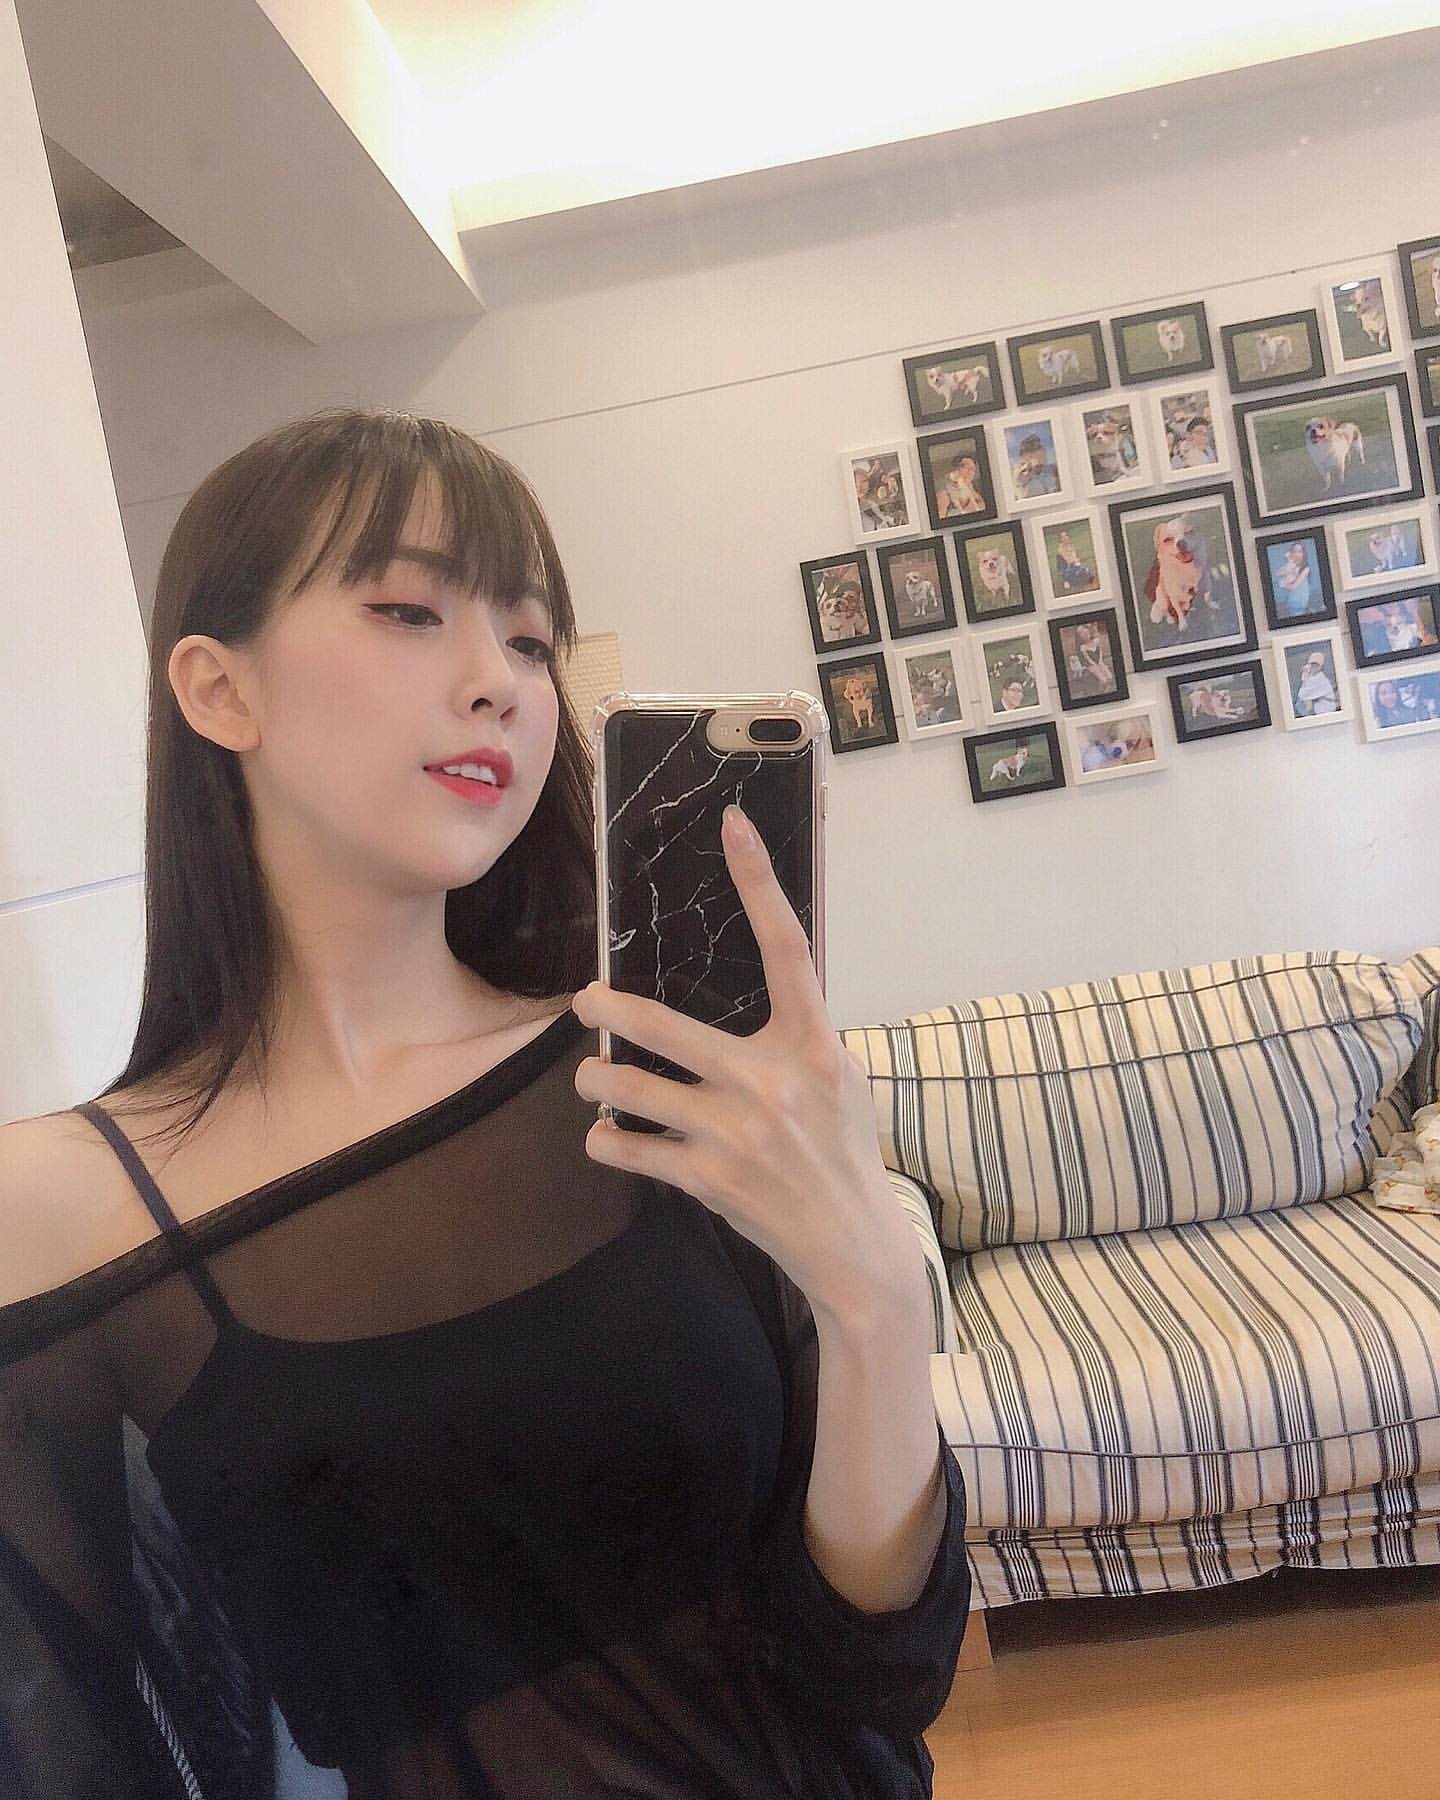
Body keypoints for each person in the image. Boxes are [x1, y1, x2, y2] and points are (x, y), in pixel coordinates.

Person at [0, 409, 969, 1799]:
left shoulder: (644, 1074)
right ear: (219, 690)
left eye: (528, 640)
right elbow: (81, 1743)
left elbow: (881, 1666)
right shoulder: (62, 1212)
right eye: (410, 611)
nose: (499, 684)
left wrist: (874, 1295)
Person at [1293, 651, 1338, 716]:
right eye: (1312, 664)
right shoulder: (1313, 677)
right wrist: (1305, 674)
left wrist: (1305, 675)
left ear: (1321, 667)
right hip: (1320, 710)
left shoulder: (1320, 679)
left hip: (1326, 710)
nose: (1314, 666)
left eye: (1317, 665)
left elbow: (1302, 695)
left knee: (1305, 703)